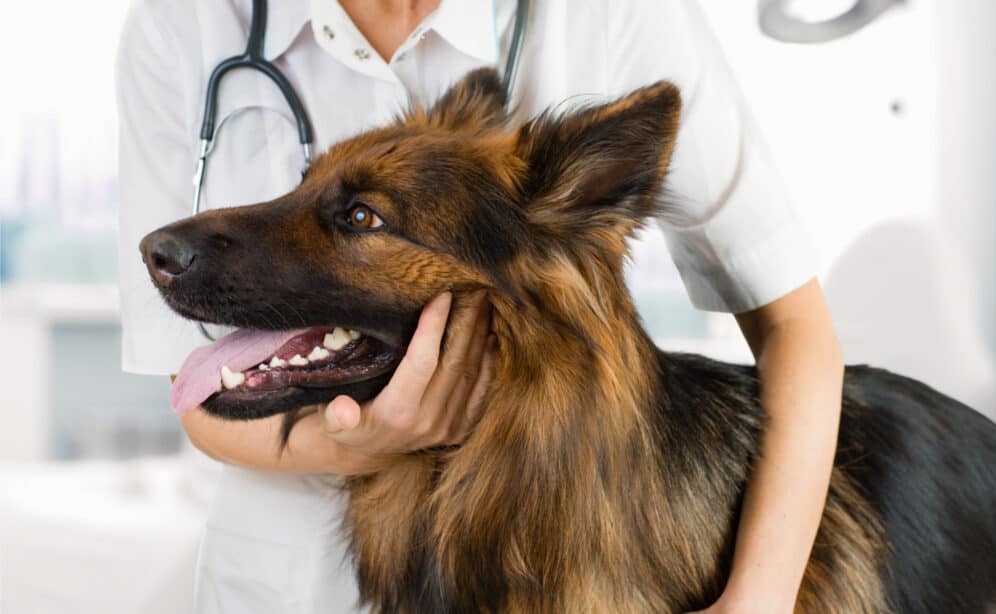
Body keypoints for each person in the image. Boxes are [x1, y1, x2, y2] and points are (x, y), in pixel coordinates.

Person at [116, 1, 843, 613]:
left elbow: (794, 324)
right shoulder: (182, 20)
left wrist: (756, 600)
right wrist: (360, 443)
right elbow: (195, 397)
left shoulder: (618, 13)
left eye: (362, 218)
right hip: (283, 578)